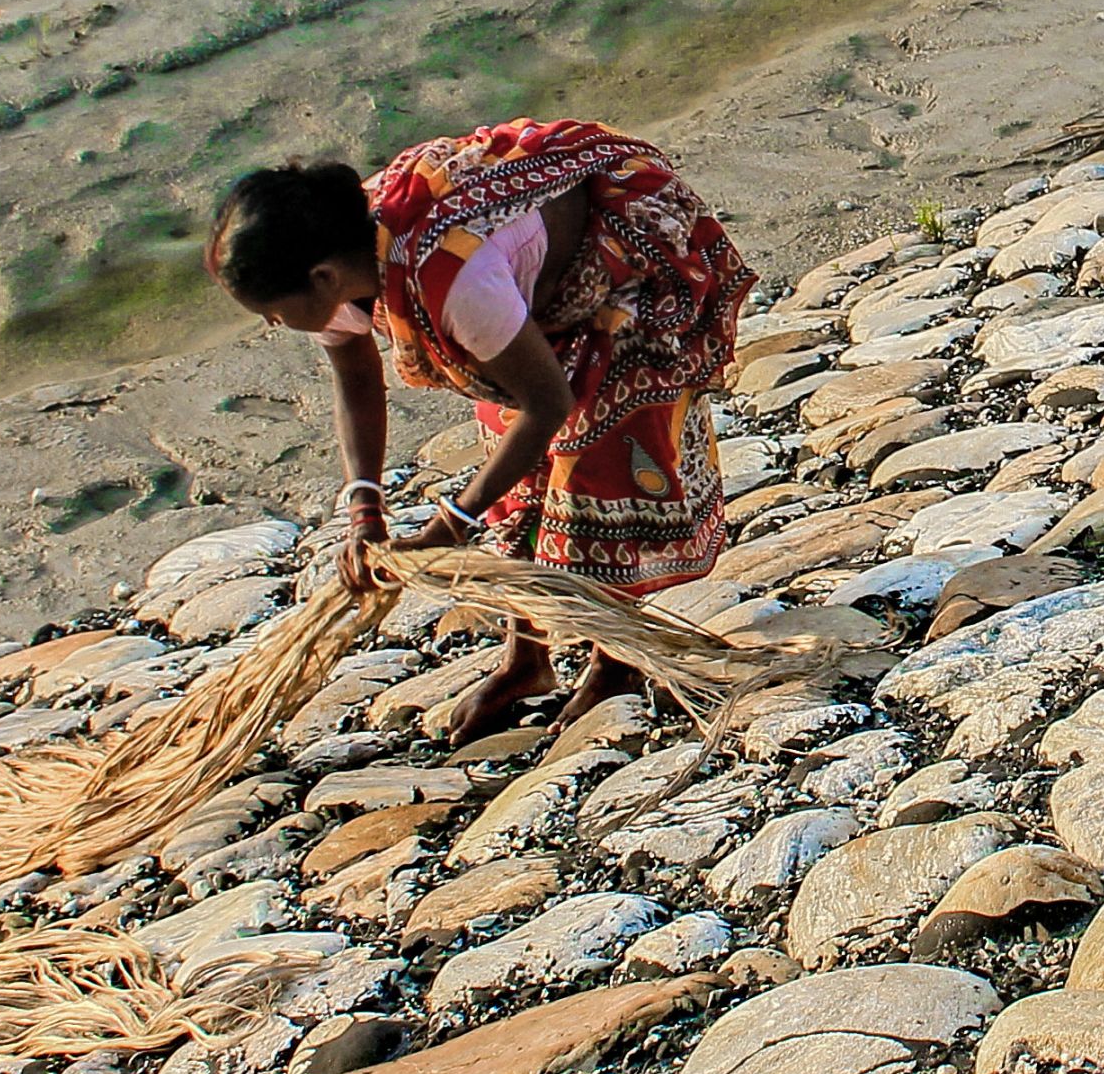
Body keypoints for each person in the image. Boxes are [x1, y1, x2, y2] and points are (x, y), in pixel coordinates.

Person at [207, 122, 755, 740]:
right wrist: (365, 505)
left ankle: (616, 661)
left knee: (594, 467)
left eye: (272, 312)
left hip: (617, 267)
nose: (276, 325)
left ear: (324, 279)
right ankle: (528, 661)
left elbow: (546, 404)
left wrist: (449, 526)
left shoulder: (453, 277)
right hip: (525, 305)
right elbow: (356, 379)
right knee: (518, 487)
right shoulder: (339, 252)